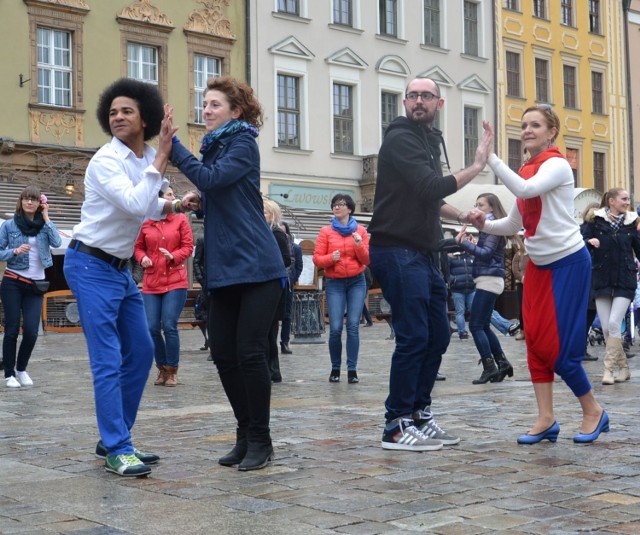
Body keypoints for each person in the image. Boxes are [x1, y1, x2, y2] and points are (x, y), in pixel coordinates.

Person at [164, 76, 286, 471]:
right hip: (225, 267)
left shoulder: (242, 143)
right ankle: (244, 432)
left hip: (257, 265)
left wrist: (173, 148)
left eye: (215, 104)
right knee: (223, 354)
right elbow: (220, 192)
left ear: (235, 111)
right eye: (204, 103)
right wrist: (202, 203)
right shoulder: (216, 148)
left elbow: (214, 179)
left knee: (250, 353)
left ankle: (262, 440)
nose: (207, 109)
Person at [367, 76, 493, 451]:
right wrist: (476, 166)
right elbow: (429, 188)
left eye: (426, 96)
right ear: (405, 102)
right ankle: (396, 423)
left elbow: (427, 199)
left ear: (439, 104)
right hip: (395, 249)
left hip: (421, 252)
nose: (418, 101)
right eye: (413, 96)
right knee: (414, 337)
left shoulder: (427, 140)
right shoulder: (401, 137)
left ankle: (419, 413)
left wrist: (461, 215)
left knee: (438, 333)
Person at [63, 78, 178, 477]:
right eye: (112, 112)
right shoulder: (106, 160)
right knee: (108, 359)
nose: (118, 117)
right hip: (89, 265)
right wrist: (162, 157)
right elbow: (133, 203)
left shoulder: (143, 157)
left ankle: (114, 434)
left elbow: (150, 204)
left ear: (144, 117)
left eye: (126, 110)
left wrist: (178, 202)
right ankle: (117, 446)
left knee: (142, 352)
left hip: (118, 270)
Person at [474, 105, 608, 444]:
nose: (528, 130)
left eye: (536, 125)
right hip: (538, 266)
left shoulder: (557, 165)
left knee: (559, 348)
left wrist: (491, 158)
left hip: (568, 263)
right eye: (524, 125)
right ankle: (546, 418)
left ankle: (593, 410)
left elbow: (523, 191)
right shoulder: (527, 169)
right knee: (534, 342)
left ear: (551, 132)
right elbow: (514, 225)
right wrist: (482, 224)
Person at [1, 186, 61, 388]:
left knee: (31, 331)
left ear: (39, 203)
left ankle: (21, 369)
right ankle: (9, 374)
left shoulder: (44, 226)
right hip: (13, 281)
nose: (29, 202)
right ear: (21, 202)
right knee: (11, 330)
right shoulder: (9, 225)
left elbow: (57, 241)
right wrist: (14, 251)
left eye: (34, 199)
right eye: (26, 199)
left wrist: (46, 217)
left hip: (36, 285)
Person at [134, 185, 194, 387]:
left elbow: (188, 247)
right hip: (152, 281)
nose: (173, 198)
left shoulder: (180, 219)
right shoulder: (146, 222)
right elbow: (138, 247)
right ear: (158, 200)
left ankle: (172, 370)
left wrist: (173, 256)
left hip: (175, 280)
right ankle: (161, 368)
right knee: (151, 328)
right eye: (169, 195)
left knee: (169, 325)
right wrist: (142, 258)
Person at [581, 188, 640, 384]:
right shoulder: (594, 221)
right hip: (602, 279)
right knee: (607, 329)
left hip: (625, 279)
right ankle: (624, 368)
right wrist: (589, 242)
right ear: (611, 201)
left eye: (628, 199)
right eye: (624, 199)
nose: (627, 202)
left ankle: (608, 371)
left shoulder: (632, 223)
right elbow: (578, 242)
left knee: (614, 324)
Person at [456, 193, 514, 384]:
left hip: (489, 279)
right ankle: (502, 363)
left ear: (491, 208)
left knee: (475, 325)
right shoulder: (491, 227)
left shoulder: (492, 227)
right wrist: (474, 244)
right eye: (476, 204)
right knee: (482, 325)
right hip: (489, 279)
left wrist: (463, 243)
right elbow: (487, 252)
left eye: (481, 205)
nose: (477, 208)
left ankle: (490, 367)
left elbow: (487, 254)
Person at [312, 193, 370, 384]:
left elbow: (367, 260)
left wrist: (360, 246)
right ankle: (335, 368)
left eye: (341, 204)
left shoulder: (360, 231)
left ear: (350, 209)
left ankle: (352, 370)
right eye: (334, 205)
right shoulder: (325, 231)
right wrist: (331, 258)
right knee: (336, 328)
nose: (337, 207)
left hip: (356, 281)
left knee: (353, 325)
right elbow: (317, 258)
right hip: (335, 283)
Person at [263, 199, 292, 383]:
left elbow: (286, 260)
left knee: (270, 333)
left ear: (272, 215)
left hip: (273, 288)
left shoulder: (277, 234)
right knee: (263, 332)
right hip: (261, 286)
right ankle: (267, 368)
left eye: (264, 212)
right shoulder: (259, 233)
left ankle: (273, 369)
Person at [280, 221, 303, 354]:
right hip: (275, 283)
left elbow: (299, 267)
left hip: (288, 284)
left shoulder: (295, 248)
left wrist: (292, 279)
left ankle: (285, 342)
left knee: (287, 315)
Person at [448, 249, 474, 340]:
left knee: (473, 311)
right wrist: (453, 280)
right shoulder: (451, 257)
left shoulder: (471, 256)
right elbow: (446, 272)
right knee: (460, 311)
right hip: (457, 289)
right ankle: (462, 332)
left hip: (471, 288)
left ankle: (475, 330)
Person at [193, 232, 211, 356]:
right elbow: (196, 261)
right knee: (210, 315)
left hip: (223, 280)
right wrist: (201, 279)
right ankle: (212, 347)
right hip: (208, 283)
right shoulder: (203, 239)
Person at [511, 236, 528, 341]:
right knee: (522, 308)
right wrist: (522, 278)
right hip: (522, 284)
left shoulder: (535, 255)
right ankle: (522, 331)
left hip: (534, 285)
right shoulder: (518, 255)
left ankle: (532, 331)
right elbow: (515, 269)